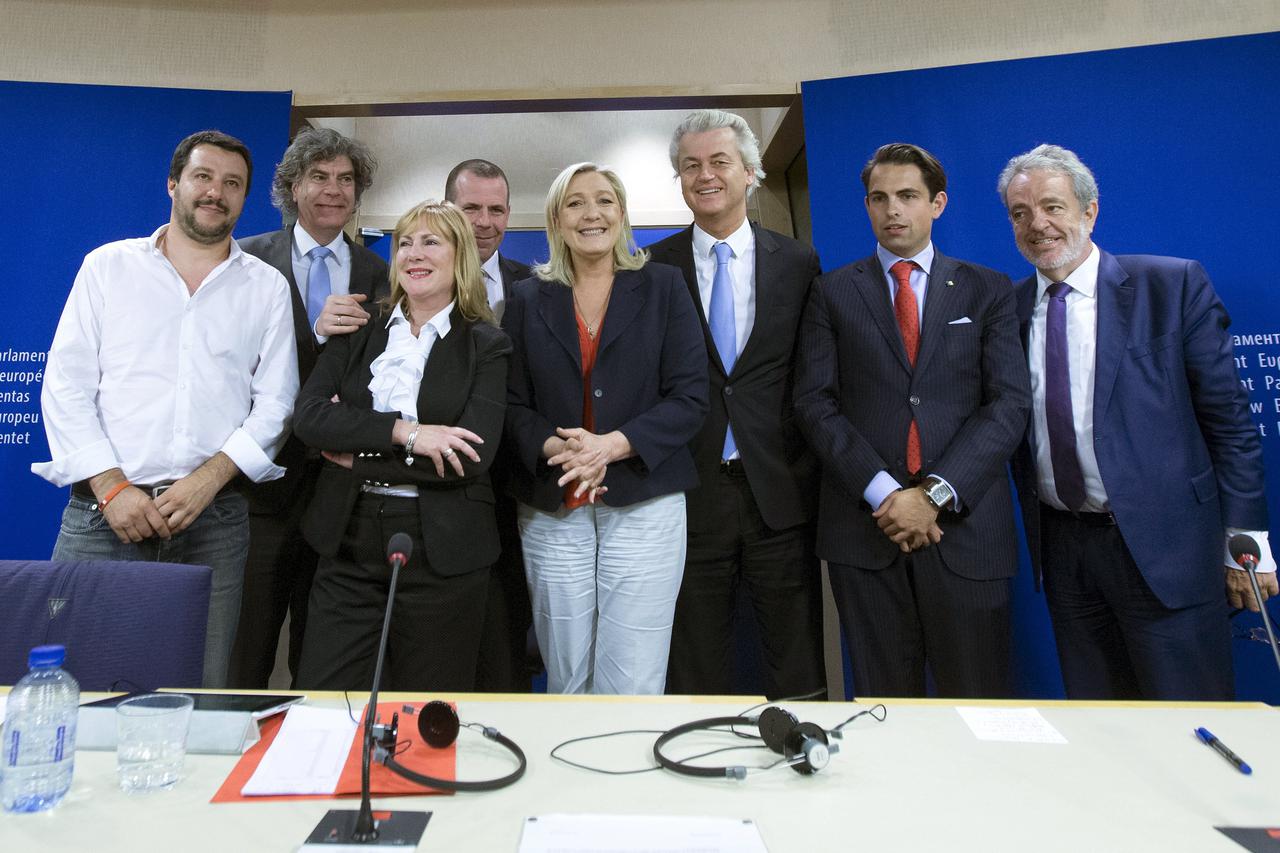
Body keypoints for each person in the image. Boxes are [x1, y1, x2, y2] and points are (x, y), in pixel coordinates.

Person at [999, 144, 1274, 700]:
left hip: (1167, 550)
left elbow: (1229, 421)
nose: (1038, 224)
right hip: (1066, 551)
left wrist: (1248, 542)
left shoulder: (1169, 287)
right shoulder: (1007, 310)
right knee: (1103, 727)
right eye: (1020, 212)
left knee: (1191, 723)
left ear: (1089, 211)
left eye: (1052, 206)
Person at [32, 130, 298, 689]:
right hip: (101, 518)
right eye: (203, 177)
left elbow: (275, 403)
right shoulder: (108, 268)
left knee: (196, 691)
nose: (215, 193)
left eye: (232, 184)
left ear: (244, 198)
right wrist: (112, 486)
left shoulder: (267, 287)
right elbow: (65, 386)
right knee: (73, 690)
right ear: (173, 183)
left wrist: (208, 480)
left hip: (213, 522)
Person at [794, 143, 1029, 699]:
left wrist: (933, 496)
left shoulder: (987, 289)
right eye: (878, 198)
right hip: (866, 533)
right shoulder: (831, 293)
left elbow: (1008, 404)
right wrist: (886, 494)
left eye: (906, 196)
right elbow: (814, 404)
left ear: (937, 204)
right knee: (884, 707)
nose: (891, 210)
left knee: (979, 704)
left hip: (966, 532)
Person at [502, 162, 708, 695]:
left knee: (634, 674)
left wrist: (610, 448)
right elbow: (511, 405)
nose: (591, 213)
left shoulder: (664, 285)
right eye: (574, 203)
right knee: (566, 673)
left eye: (604, 201)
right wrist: (565, 450)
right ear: (556, 219)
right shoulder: (526, 297)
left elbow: (690, 397)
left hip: (645, 500)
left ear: (622, 214)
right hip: (555, 505)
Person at [290, 201, 510, 691]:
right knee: (326, 698)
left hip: (444, 553)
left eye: (431, 242)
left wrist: (360, 450)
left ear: (460, 257)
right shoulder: (360, 326)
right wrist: (406, 433)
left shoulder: (488, 345)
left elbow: (470, 457)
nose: (415, 253)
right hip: (347, 542)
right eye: (405, 242)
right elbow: (310, 417)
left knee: (426, 709)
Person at [648, 110, 825, 699]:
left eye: (719, 162)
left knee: (797, 660)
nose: (706, 176)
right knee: (694, 664)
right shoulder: (652, 269)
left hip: (779, 491)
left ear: (751, 173)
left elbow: (812, 377)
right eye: (691, 165)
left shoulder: (800, 264)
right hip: (688, 494)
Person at [230, 127, 388, 689]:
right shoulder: (245, 259)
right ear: (292, 187)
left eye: (346, 179)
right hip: (262, 487)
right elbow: (233, 366)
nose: (334, 190)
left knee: (323, 653)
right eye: (319, 177)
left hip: (341, 492)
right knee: (245, 643)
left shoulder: (381, 272)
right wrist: (316, 337)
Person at [445, 158, 536, 692]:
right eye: (470, 208)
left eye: (496, 209)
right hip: (444, 485)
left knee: (510, 634)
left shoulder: (536, 285)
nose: (484, 221)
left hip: (516, 485)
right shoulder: (414, 281)